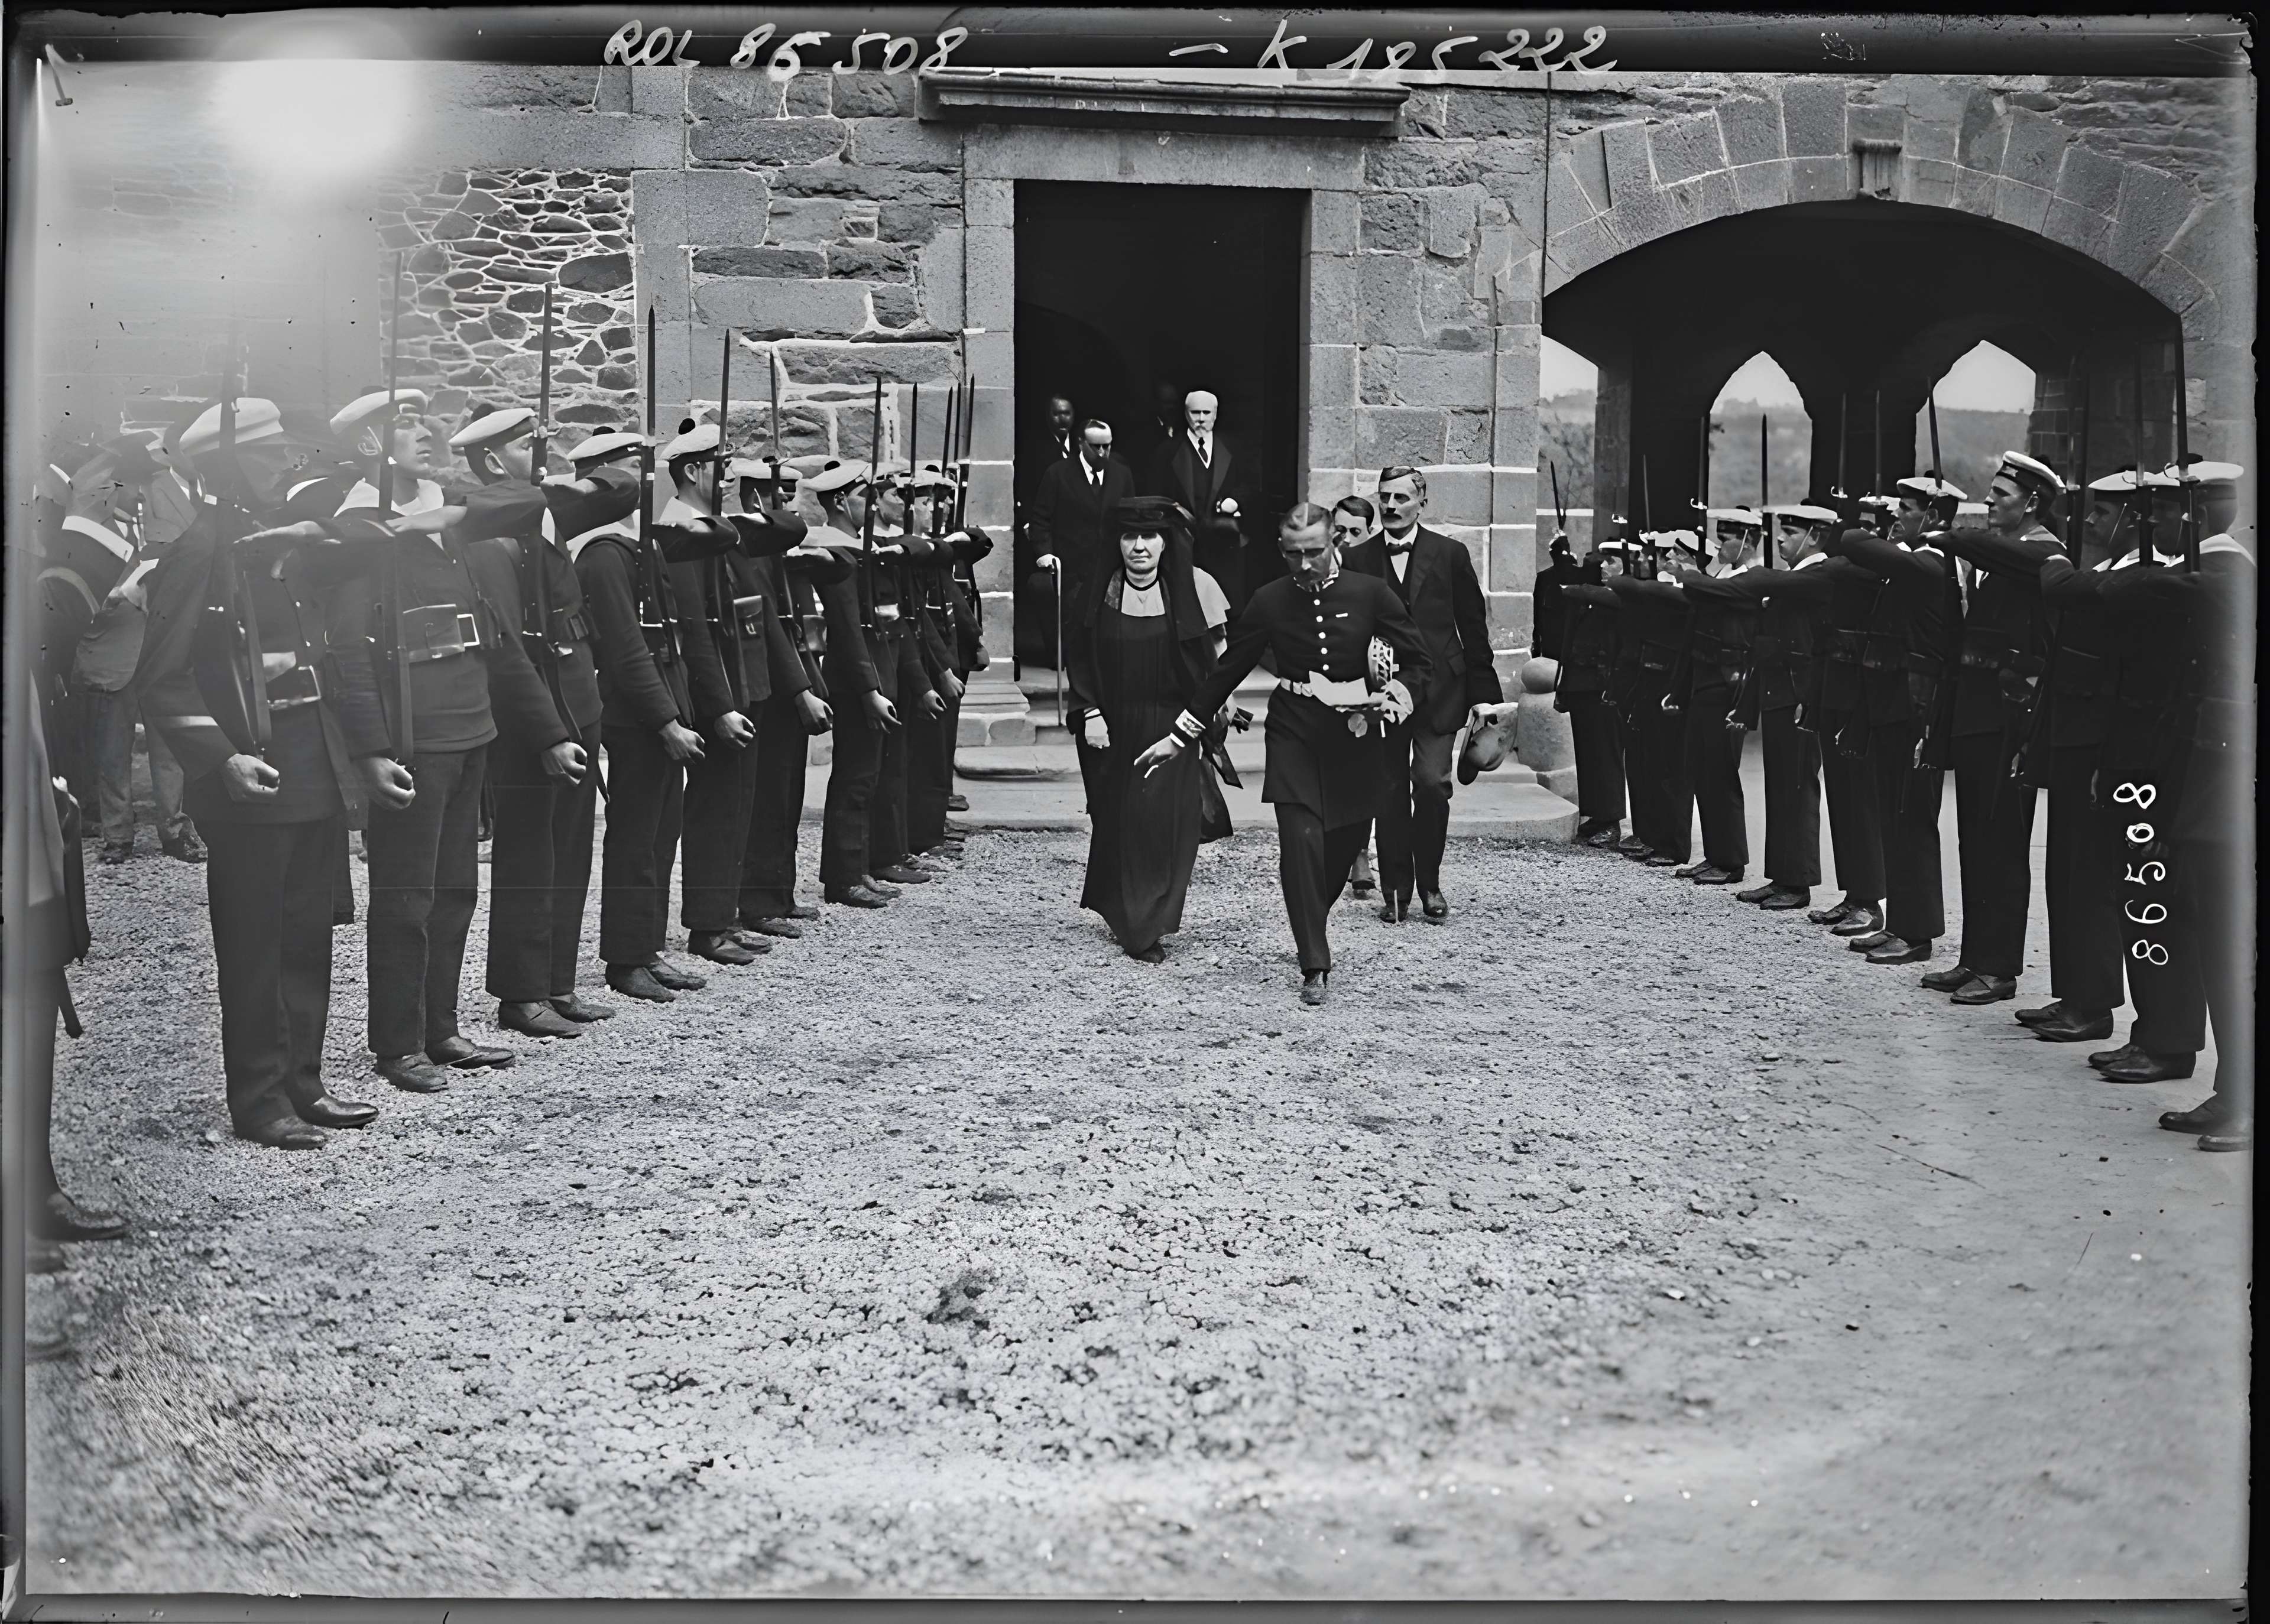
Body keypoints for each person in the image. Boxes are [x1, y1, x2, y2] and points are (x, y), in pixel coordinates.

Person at [134, 395, 391, 1146]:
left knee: (308, 933)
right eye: (269, 451)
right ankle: (258, 1098)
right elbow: (162, 676)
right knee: (254, 944)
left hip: (310, 761)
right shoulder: (199, 548)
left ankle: (303, 1083)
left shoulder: (277, 541)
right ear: (229, 461)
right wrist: (219, 758)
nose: (286, 461)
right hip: (250, 769)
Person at [1133, 504, 1431, 1005]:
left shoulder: (1370, 593)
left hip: (1356, 735)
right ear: (1281, 551)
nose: (1305, 563)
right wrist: (1180, 737)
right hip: (1294, 730)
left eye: (1315, 551)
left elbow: (1420, 661)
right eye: (1294, 554)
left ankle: (1312, 912)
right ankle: (1314, 961)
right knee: (1299, 842)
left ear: (1335, 541)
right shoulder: (1269, 601)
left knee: (1344, 844)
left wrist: (1398, 694)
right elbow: (1226, 672)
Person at [325, 389, 523, 1087]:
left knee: (457, 890)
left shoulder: (447, 512)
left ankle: (442, 1027)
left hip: (470, 722)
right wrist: (372, 750)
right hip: (415, 734)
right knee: (406, 897)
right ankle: (397, 1042)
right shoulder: (359, 526)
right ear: (368, 446)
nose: (422, 433)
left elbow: (528, 503)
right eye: (399, 426)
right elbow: (348, 649)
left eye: (422, 421)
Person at [449, 404, 618, 1038]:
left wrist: (545, 470)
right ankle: (521, 993)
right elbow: (506, 648)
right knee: (529, 855)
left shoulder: (543, 510)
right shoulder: (491, 534)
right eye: (527, 443)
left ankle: (557, 980)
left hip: (578, 700)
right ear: (493, 461)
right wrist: (548, 733)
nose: (542, 448)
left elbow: (627, 484)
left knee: (571, 851)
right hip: (534, 718)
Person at [566, 429, 734, 1002]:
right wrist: (666, 720)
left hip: (662, 705)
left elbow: (673, 637)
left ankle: (649, 946)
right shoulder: (603, 555)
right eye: (626, 470)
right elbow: (627, 649)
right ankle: (626, 957)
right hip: (637, 714)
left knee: (662, 835)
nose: (641, 481)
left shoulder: (640, 545)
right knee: (636, 839)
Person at [1919, 451, 2066, 1008]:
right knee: (1976, 841)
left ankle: (2000, 968)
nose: (1988, 502)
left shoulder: (2043, 551)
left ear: (2032, 502)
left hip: (2011, 718)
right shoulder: (2002, 554)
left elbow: (1991, 550)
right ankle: (1974, 958)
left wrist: (1948, 535)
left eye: (2000, 496)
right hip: (1980, 712)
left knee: (2003, 844)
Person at [2019, 469, 2157, 1043]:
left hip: (2102, 747)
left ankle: (2094, 1005)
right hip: (2074, 742)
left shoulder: (2139, 578)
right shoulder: (2105, 572)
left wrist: (2054, 559)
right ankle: (2073, 994)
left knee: (2095, 879)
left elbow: (2062, 586)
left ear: (2133, 520)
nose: (2094, 523)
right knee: (2069, 875)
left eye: (2104, 514)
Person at [1066, 496, 1231, 960]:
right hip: (1110, 727)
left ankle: (1147, 923)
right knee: (1118, 820)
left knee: (1162, 823)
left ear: (1165, 543)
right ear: (1117, 543)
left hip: (1169, 727)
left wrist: (1198, 727)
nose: (1139, 547)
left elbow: (1209, 666)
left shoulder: (1188, 593)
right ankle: (1123, 911)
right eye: (1129, 537)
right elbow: (1078, 659)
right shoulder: (1097, 591)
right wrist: (1090, 712)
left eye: (1150, 537)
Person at [1348, 466, 1502, 922]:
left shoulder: (1451, 554)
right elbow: (1351, 630)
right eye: (1385, 498)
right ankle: (1396, 891)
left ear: (1422, 503)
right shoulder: (1359, 559)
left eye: (1401, 498)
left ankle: (1430, 883)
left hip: (1442, 691)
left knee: (1432, 785)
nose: (1391, 507)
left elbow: (1473, 628)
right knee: (1389, 791)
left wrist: (1483, 694)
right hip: (1384, 694)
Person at [1822, 476, 1962, 966]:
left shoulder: (1931, 562)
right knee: (1894, 820)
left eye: (1907, 508)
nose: (1899, 515)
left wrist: (1874, 522)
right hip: (1892, 705)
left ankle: (1918, 933)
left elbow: (1853, 542)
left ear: (1934, 517)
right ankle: (1901, 922)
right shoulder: (1909, 561)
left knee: (1913, 822)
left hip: (1918, 711)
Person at [1674, 504, 1838, 909]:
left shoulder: (1816, 575)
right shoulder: (1796, 577)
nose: (1781, 538)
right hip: (1780, 692)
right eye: (1781, 531)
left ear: (1815, 537)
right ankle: (1783, 876)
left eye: (1791, 532)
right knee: (1781, 787)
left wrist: (1690, 577)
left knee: (1798, 788)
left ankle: (1797, 882)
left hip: (1801, 694)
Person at [68, 436, 206, 866]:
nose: (141, 494)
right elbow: (72, 597)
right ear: (112, 488)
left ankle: (176, 831)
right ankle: (118, 838)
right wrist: (119, 594)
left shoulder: (165, 529)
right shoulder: (86, 536)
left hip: (161, 655)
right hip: (112, 657)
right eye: (133, 485)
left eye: (145, 485)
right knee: (112, 756)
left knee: (172, 752)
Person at [731, 455, 840, 936]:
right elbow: (773, 631)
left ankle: (781, 891)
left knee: (788, 794)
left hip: (794, 680)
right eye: (777, 498)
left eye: (790, 499)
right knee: (768, 799)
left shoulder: (778, 554)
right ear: (755, 498)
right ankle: (759, 901)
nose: (786, 509)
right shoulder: (750, 554)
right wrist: (799, 692)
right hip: (770, 689)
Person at [806, 459, 907, 908]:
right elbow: (848, 630)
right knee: (854, 778)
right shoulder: (837, 552)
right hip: (853, 680)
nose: (871, 505)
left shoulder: (858, 547)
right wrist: (870, 690)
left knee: (867, 777)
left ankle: (858, 868)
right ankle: (843, 876)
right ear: (841, 502)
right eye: (864, 497)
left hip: (870, 675)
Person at [1671, 512, 1763, 885]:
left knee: (1722, 773)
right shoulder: (1724, 577)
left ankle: (1731, 859)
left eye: (1726, 538)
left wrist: (1690, 576)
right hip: (1706, 684)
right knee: (1705, 771)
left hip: (1729, 688)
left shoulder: (1750, 581)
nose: (1720, 545)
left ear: (1746, 540)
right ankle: (1715, 853)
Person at [1605, 528, 1694, 869]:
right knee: (1649, 764)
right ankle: (1653, 835)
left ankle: (1672, 844)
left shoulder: (1685, 591)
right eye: (1662, 555)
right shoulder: (1662, 589)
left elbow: (1637, 588)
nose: (1662, 561)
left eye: (1670, 555)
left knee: (1672, 768)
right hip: (1649, 680)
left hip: (1672, 683)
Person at [1027, 420, 1138, 673]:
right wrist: (1045, 554)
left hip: (1110, 566)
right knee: (1074, 623)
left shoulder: (1122, 475)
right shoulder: (1058, 474)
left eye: (1107, 447)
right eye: (1096, 447)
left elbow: (1131, 518)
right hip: (1072, 567)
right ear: (1081, 444)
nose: (1102, 453)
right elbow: (1041, 519)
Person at [1554, 535, 1629, 848]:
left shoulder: (1623, 596)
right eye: (1602, 560)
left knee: (1606, 753)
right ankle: (1596, 814)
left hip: (1605, 686)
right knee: (1588, 752)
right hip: (1583, 683)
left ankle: (1611, 819)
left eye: (1612, 561)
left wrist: (1576, 589)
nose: (1603, 566)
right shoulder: (1594, 594)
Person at [1145, 391, 1251, 609]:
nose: (1201, 418)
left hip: (1224, 542)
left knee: (1226, 607)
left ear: (1215, 415)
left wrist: (1237, 501)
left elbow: (1251, 484)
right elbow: (1155, 496)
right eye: (1195, 412)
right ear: (1186, 414)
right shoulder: (1166, 453)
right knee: (1186, 605)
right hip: (1182, 544)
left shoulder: (1235, 449)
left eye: (1206, 412)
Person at [1329, 496, 1386, 892]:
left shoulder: (1380, 576)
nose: (1346, 540)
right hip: (1327, 685)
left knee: (1368, 771)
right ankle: (1340, 851)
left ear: (1371, 533)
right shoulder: (1318, 569)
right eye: (1340, 531)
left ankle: (1361, 854)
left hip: (1371, 687)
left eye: (1356, 532)